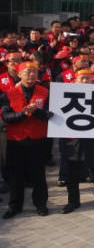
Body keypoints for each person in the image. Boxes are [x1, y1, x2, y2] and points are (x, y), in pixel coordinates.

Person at [1, 62, 53, 218]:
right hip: (16, 141)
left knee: (39, 175)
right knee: (17, 176)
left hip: (38, 139)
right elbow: (5, 117)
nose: (31, 74)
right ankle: (14, 206)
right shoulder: (8, 94)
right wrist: (23, 114)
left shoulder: (45, 92)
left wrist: (36, 112)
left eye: (34, 72)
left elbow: (51, 114)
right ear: (19, 75)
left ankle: (41, 204)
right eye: (27, 71)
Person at [60, 68, 94, 214]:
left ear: (92, 80)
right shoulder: (64, 95)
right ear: (75, 80)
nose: (85, 81)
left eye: (88, 78)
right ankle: (73, 201)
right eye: (81, 78)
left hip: (93, 140)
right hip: (71, 141)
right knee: (71, 174)